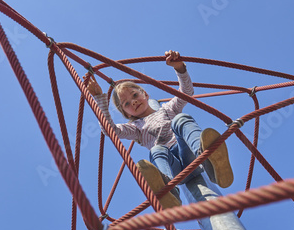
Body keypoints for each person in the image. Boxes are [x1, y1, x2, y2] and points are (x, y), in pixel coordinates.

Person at [85, 50, 233, 208]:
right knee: (156, 151)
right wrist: (99, 99)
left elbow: (187, 92)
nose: (133, 102)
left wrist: (179, 68)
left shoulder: (167, 109)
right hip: (175, 170)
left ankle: (209, 158)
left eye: (134, 95)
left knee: (181, 119)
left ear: (145, 94)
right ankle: (169, 191)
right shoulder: (135, 128)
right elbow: (110, 130)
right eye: (126, 104)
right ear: (126, 113)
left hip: (193, 158)